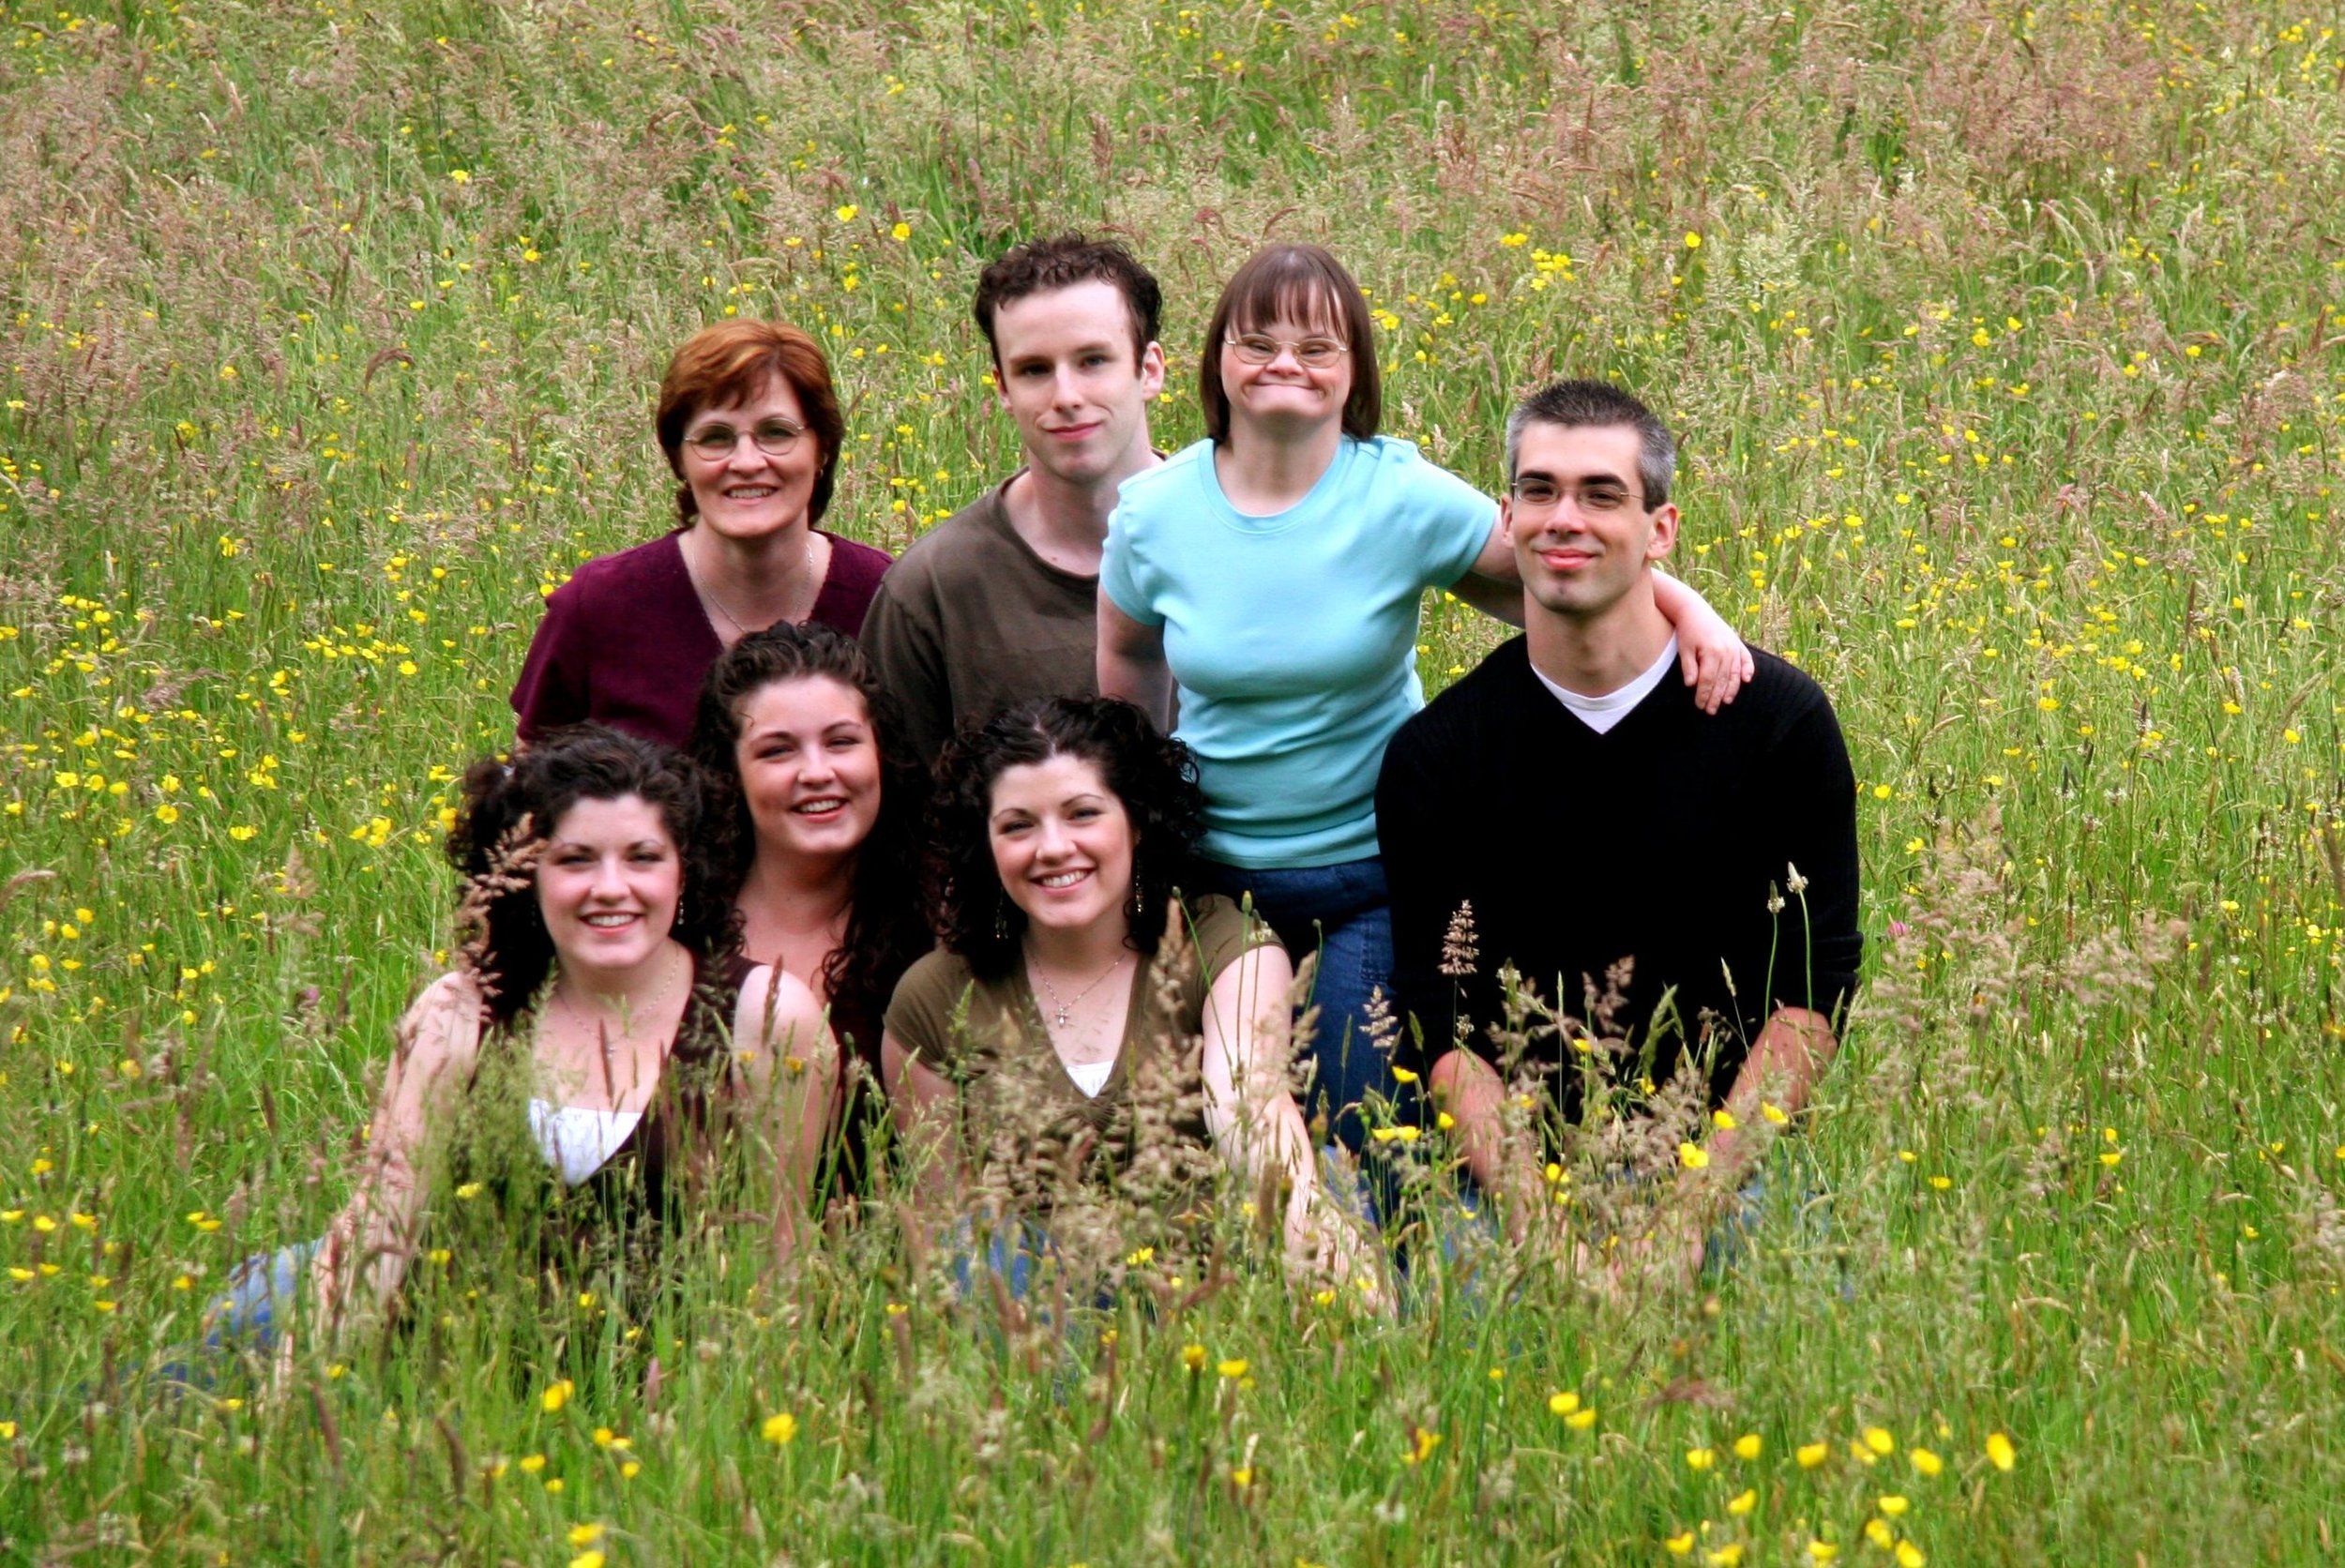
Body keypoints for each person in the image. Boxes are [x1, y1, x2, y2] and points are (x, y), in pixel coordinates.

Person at [1096, 243, 1752, 1166]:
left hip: (1372, 870)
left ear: (1355, 370)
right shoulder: (1152, 513)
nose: (1285, 363)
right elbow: (1126, 658)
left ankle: (1382, 1278)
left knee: (1360, 1111)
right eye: (1258, 342)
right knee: (1221, 1106)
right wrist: (1139, 827)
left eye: (1317, 346)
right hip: (1216, 877)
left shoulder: (1398, 494)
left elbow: (1560, 572)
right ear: (1216, 363)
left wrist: (1690, 608)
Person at [1377, 379, 1862, 1273]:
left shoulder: (1778, 726)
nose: (1566, 518)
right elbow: (1442, 1032)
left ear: (1661, 530)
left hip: (1723, 1166)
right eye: (1539, 491)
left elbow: (1810, 997)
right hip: (1510, 1181)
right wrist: (1544, 1232)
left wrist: (1684, 1217)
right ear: (1511, 517)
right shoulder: (1438, 755)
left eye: (1602, 494)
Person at [238, 728, 839, 1349]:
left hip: (663, 1395)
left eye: (643, 857)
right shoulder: (462, 1012)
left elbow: (777, 1251)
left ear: (685, 870)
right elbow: (383, 1222)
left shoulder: (764, 1016)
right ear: (527, 875)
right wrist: (304, 1395)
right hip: (459, 1379)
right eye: (575, 859)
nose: (611, 887)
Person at [880, 698, 1360, 1287]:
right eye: (1018, 825)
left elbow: (1250, 1109)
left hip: (1215, 1292)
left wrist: (1363, 1322)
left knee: (1327, 1173)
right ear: (986, 847)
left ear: (1136, 823)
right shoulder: (933, 998)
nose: (1052, 847)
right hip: (1041, 1322)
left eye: (1083, 814)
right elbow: (944, 1230)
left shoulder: (1220, 945)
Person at [511, 320, 894, 750]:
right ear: (679, 459)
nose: (747, 461)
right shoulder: (597, 608)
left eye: (776, 433)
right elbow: (528, 786)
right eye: (715, 438)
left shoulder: (889, 601)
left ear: (822, 447)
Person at [861, 235, 1166, 766]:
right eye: (1034, 370)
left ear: (1149, 370)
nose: (1066, 396)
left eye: (1093, 360)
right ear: (1002, 387)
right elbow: (896, 814)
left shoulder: (1240, 540)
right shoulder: (934, 588)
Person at [690, 622, 932, 1181]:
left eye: (842, 742)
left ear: (882, 752)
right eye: (777, 751)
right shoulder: (678, 921)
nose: (818, 773)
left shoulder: (942, 924)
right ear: (731, 772)